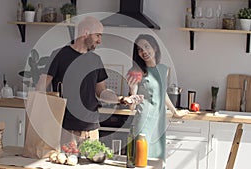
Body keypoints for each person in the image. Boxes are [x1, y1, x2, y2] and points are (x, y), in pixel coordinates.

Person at [36, 16, 143, 145]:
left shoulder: (95, 60)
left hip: (91, 129)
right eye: (98, 35)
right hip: (66, 128)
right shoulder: (59, 55)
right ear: (86, 33)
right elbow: (40, 88)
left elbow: (101, 92)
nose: (100, 41)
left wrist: (122, 99)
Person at [127, 34, 188, 166]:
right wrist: (132, 90)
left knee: (157, 163)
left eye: (146, 46)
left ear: (154, 47)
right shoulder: (136, 72)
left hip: (159, 123)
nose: (143, 51)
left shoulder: (163, 69)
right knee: (141, 161)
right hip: (143, 122)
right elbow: (132, 107)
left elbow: (162, 93)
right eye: (139, 49)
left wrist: (174, 111)